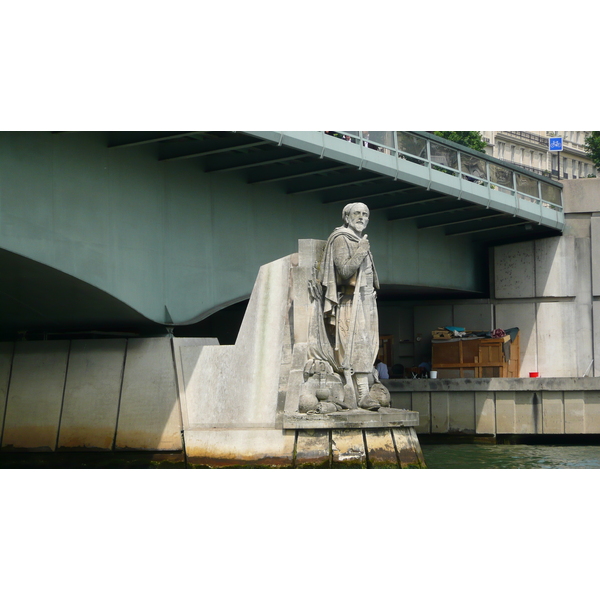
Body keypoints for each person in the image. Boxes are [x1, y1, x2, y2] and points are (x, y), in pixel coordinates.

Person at [319, 202, 381, 410]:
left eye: (365, 214)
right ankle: (362, 394)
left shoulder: (359, 238)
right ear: (347, 217)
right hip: (350, 301)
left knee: (370, 344)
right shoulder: (341, 239)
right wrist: (361, 251)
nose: (361, 217)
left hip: (366, 299)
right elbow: (344, 271)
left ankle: (363, 391)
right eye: (357, 213)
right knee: (357, 344)